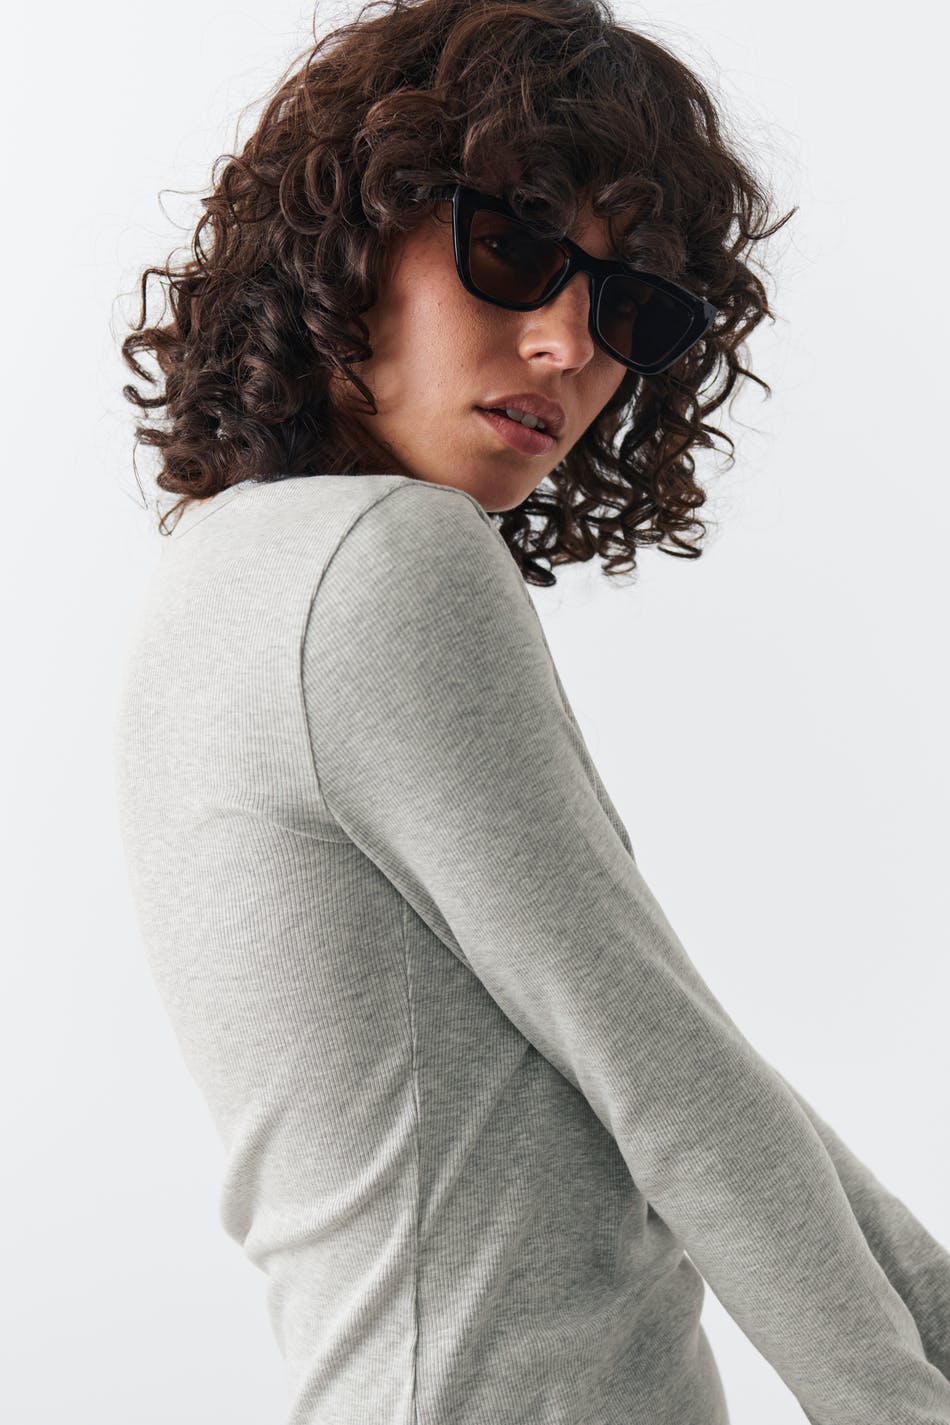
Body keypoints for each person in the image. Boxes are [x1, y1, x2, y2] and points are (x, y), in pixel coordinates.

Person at [113, 1, 950, 1421]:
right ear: (350, 233)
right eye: (512, 247)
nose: (567, 346)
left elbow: (660, 1039)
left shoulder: (233, 570)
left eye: (630, 309)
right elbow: (663, 1072)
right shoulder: (384, 562)